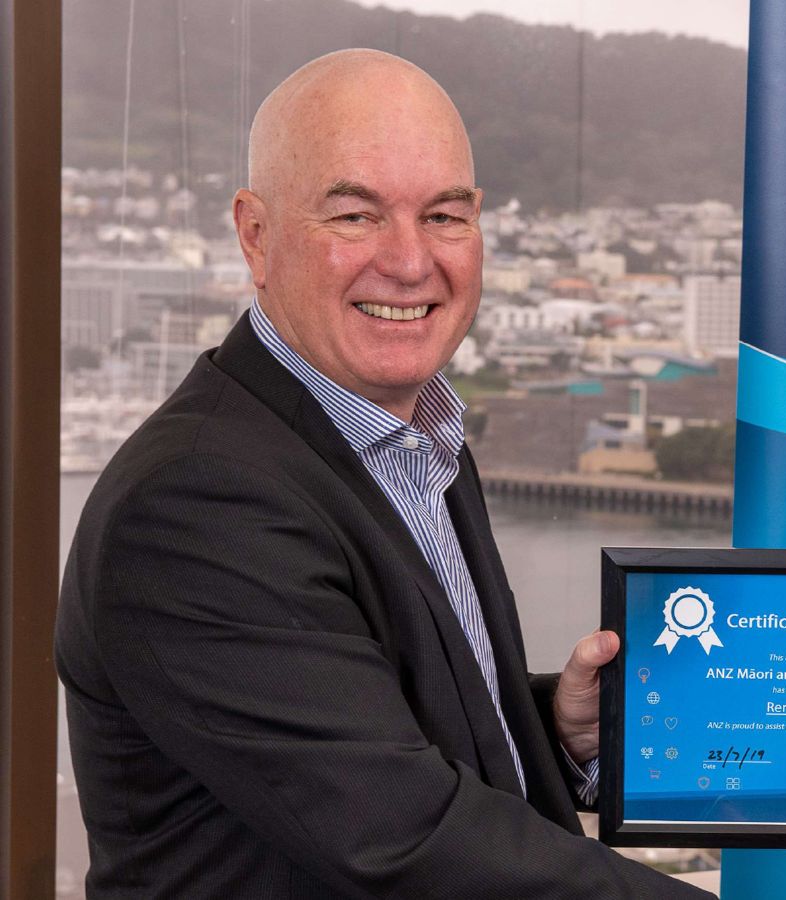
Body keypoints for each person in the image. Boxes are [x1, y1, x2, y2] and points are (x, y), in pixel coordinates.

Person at [55, 49, 710, 898]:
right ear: (255, 235)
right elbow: (409, 840)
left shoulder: (418, 435)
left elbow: (379, 729)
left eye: (444, 216)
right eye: (356, 216)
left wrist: (558, 732)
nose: (409, 263)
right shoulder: (194, 502)